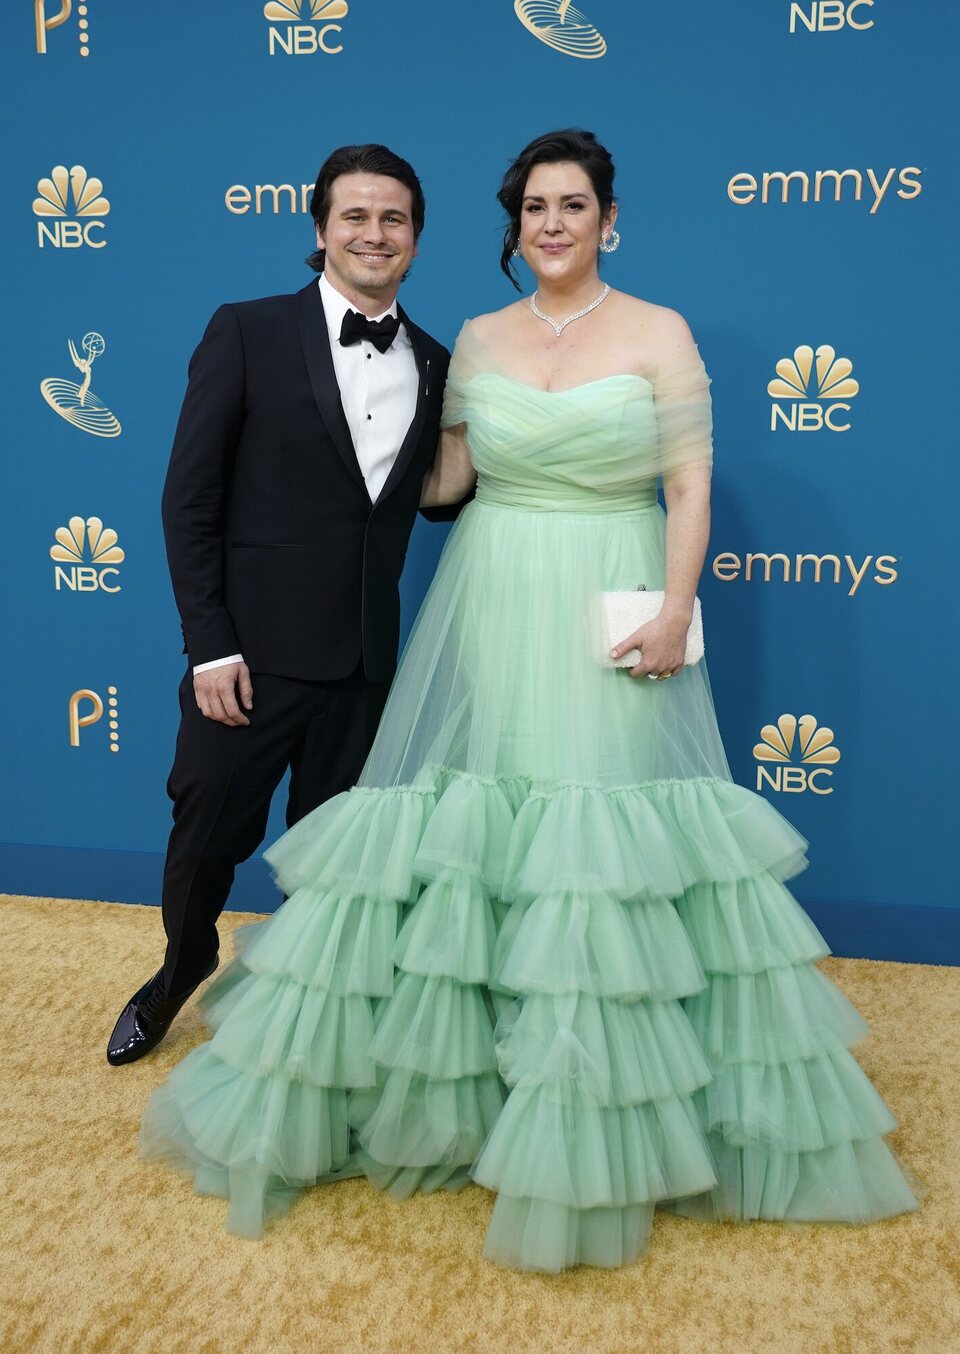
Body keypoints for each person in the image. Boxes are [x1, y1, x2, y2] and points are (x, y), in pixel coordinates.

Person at [138, 130, 920, 1271]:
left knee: (599, 843)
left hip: (614, 593)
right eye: (534, 207)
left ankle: (600, 1108)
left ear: (610, 220)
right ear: (514, 228)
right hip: (492, 594)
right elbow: (448, 478)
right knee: (479, 833)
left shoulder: (660, 331)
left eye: (573, 204)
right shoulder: (478, 344)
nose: (552, 222)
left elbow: (690, 483)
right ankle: (447, 1082)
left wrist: (675, 604)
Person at [107, 144, 455, 1066]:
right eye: (355, 216)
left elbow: (441, 494)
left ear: (416, 239)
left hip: (365, 668)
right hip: (248, 660)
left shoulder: (437, 359)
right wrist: (209, 645)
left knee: (333, 867)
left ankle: (309, 1027)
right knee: (204, 837)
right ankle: (178, 971)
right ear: (320, 229)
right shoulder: (248, 330)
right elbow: (190, 502)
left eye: (393, 219)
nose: (374, 234)